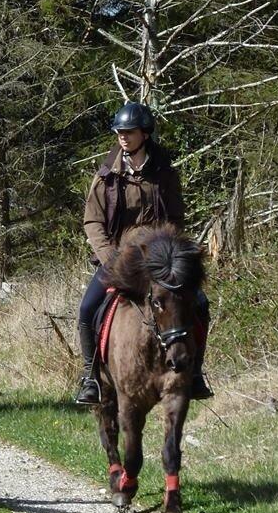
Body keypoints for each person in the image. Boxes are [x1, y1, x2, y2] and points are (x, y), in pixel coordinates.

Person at [73, 102, 213, 405]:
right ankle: (90, 377)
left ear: (144, 134)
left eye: (129, 132)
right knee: (87, 309)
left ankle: (196, 373)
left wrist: (170, 250)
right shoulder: (107, 174)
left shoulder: (164, 173)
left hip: (159, 258)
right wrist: (107, 253)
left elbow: (176, 218)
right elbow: (92, 220)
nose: (123, 137)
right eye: (119, 132)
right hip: (120, 258)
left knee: (200, 303)